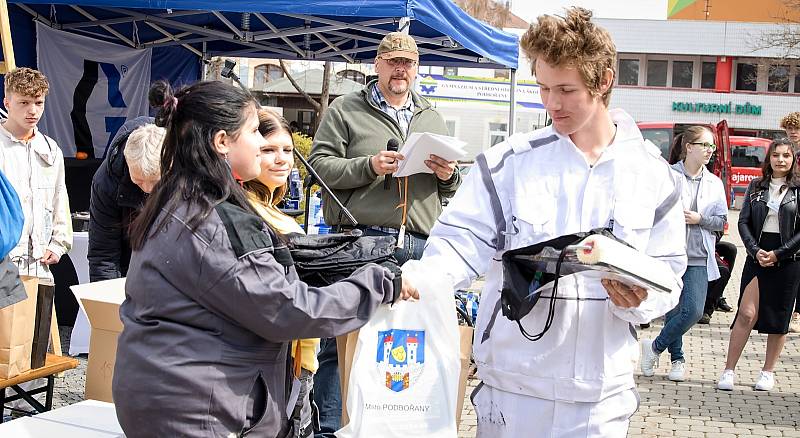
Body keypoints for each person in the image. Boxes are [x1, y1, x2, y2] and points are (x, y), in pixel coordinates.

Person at [406, 8, 686, 437]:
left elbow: (670, 273)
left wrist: (641, 299)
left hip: (601, 393)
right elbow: (459, 243)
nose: (551, 103)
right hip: (515, 388)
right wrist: (419, 281)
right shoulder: (509, 163)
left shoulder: (653, 175)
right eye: (543, 87)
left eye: (566, 90)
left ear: (604, 81)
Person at [112, 80, 417, 437]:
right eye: (255, 131)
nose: (262, 142)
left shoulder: (178, 199)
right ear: (222, 141)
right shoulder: (214, 218)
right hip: (198, 409)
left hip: (166, 395)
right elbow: (287, 310)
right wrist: (381, 284)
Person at [307, 31, 461, 436]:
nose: (400, 69)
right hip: (360, 242)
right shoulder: (345, 109)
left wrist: (449, 176)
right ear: (376, 65)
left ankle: (400, 425)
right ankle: (328, 428)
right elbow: (318, 167)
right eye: (392, 61)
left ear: (416, 68)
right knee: (340, 344)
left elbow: (449, 190)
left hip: (418, 245)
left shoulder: (432, 116)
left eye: (407, 63)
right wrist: (369, 166)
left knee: (412, 345)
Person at [243, 108, 318, 437]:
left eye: (287, 150)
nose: (281, 159)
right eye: (269, 150)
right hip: (277, 361)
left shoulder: (273, 211)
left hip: (298, 355)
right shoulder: (247, 212)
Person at [640, 126, 728, 382]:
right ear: (689, 147)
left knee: (693, 311)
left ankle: (654, 346)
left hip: (699, 255)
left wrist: (700, 219)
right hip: (669, 252)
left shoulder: (714, 182)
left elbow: (721, 221)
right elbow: (651, 210)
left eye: (712, 147)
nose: (710, 151)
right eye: (705, 145)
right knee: (672, 309)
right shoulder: (668, 175)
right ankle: (677, 360)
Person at [717, 138, 800, 392]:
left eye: (786, 155)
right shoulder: (756, 186)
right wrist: (755, 250)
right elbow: (742, 222)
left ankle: (767, 372)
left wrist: (779, 253)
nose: (781, 160)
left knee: (779, 317)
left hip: (788, 260)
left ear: (793, 160)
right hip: (757, 256)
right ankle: (728, 370)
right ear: (769, 158)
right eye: (776, 155)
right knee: (746, 313)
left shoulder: (798, 189)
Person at [0, 67, 71, 280]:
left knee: (41, 314)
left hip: (40, 262)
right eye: (24, 102)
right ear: (7, 103)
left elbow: (60, 197)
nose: (32, 110)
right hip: (5, 261)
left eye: (38, 103)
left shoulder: (50, 148)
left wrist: (59, 244)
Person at [88, 120, 164, 282]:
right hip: (128, 271)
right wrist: (107, 302)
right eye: (138, 181)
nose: (148, 189)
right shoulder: (106, 183)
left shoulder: (191, 172)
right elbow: (104, 255)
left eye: (155, 182)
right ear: (127, 161)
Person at [780, 112, 800, 332]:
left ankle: (797, 313)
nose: (793, 132)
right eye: (789, 128)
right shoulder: (784, 151)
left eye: (796, 128)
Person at [698, 239, 737, 324]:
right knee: (722, 270)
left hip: (708, 241)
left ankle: (712, 303)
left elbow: (719, 228)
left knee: (730, 249)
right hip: (690, 242)